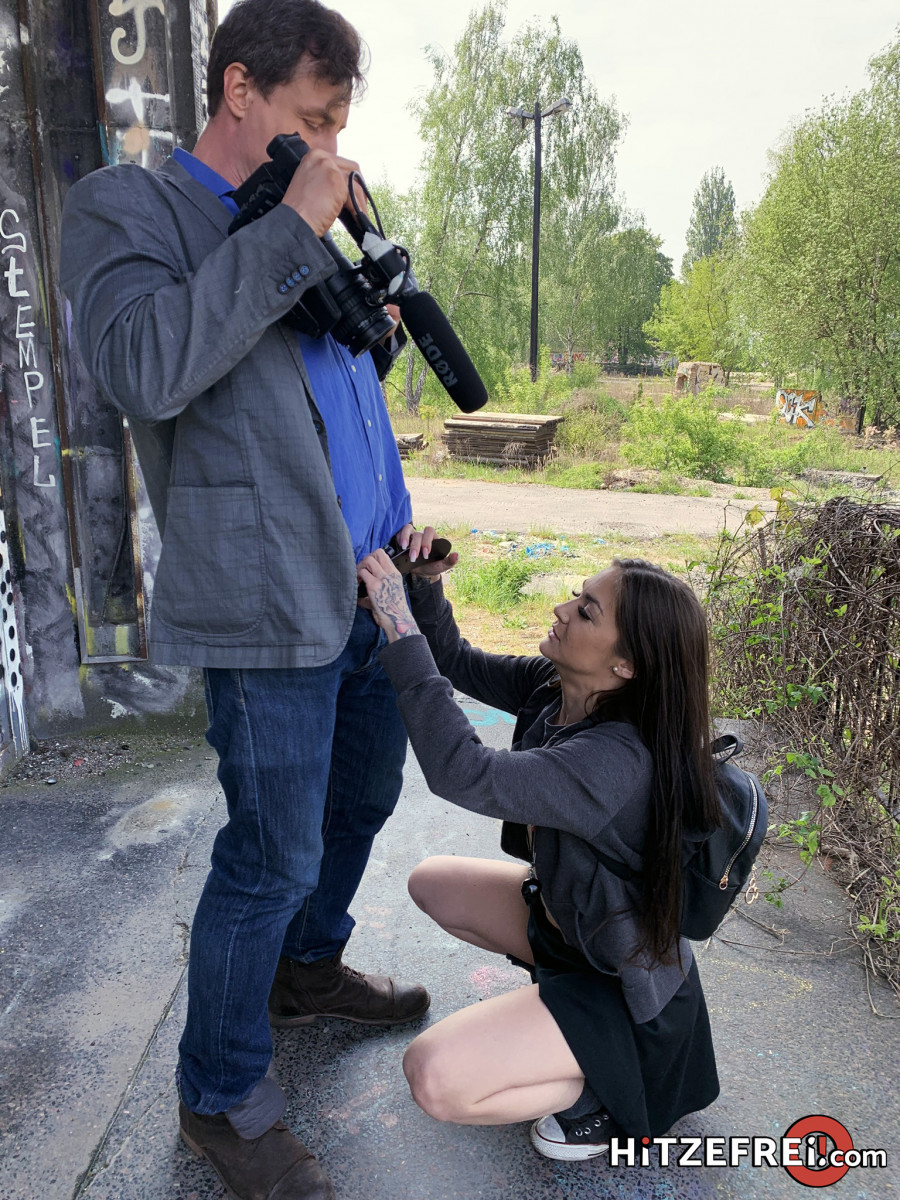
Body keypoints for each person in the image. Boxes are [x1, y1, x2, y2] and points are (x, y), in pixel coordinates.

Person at [60, 3, 436, 1197]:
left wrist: (398, 510)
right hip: (267, 597)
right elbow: (144, 366)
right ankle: (221, 1096)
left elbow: (323, 397)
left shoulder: (298, 219)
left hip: (374, 579)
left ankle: (305, 972)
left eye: (340, 124)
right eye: (314, 119)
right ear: (239, 91)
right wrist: (289, 228)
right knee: (270, 855)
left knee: (363, 799)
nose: (333, 146)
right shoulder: (130, 209)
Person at [357, 545, 722, 1161]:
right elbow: (455, 662)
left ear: (627, 664)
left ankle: (605, 1093)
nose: (561, 609)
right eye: (577, 596)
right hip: (577, 936)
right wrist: (422, 587)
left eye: (586, 611)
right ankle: (552, 1016)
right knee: (433, 882)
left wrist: (397, 625)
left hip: (622, 990)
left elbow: (462, 771)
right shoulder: (561, 690)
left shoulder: (615, 760)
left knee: (433, 1075)